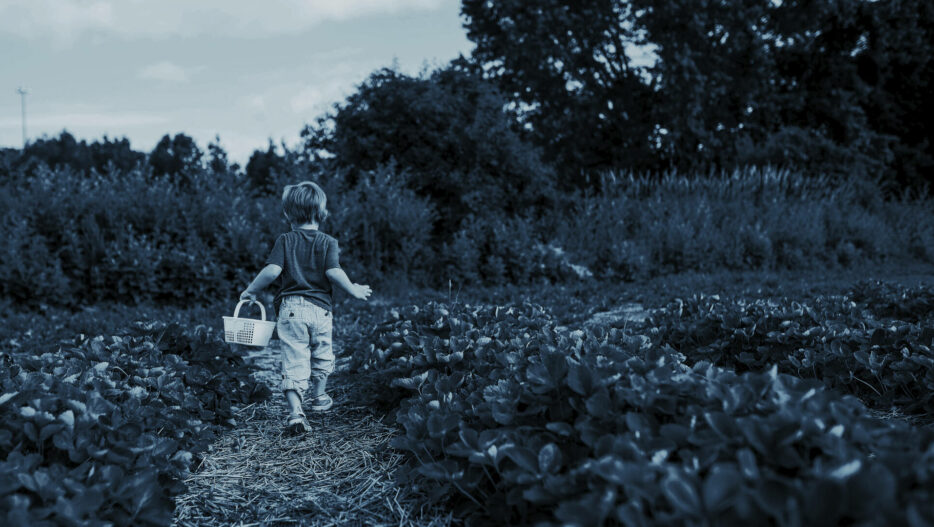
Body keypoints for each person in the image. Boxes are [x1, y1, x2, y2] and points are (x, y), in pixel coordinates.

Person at [240, 181, 372, 435]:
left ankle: (295, 413)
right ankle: (320, 397)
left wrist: (251, 290)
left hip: (291, 309)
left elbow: (272, 271)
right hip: (321, 309)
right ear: (321, 212)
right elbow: (334, 271)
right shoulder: (328, 242)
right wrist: (353, 288)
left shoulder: (285, 240)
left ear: (288, 214)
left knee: (294, 359)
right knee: (323, 353)